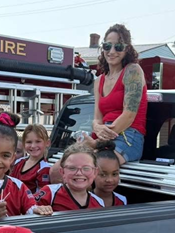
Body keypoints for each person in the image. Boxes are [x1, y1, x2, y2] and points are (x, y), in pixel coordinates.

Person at [51, 24, 147, 183]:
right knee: (56, 171)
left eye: (119, 46)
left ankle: (89, 206)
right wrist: (96, 128)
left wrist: (97, 142)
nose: (112, 51)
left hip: (127, 135)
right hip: (101, 134)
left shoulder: (133, 71)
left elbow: (129, 115)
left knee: (87, 172)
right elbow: (97, 117)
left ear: (127, 48)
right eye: (107, 46)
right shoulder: (99, 81)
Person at [36, 142, 104, 211]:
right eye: (72, 168)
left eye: (86, 168)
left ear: (95, 172)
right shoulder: (50, 193)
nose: (79, 173)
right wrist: (37, 210)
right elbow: (28, 210)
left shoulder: (99, 203)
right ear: (62, 172)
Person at [10, 124, 52, 193]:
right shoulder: (19, 161)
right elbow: (10, 183)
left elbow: (41, 195)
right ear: (24, 144)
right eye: (29, 142)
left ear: (47, 143)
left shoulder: (44, 168)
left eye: (38, 141)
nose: (33, 146)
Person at [92, 141, 127, 207]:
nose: (109, 180)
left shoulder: (122, 200)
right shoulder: (86, 200)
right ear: (93, 173)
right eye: (103, 175)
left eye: (114, 174)